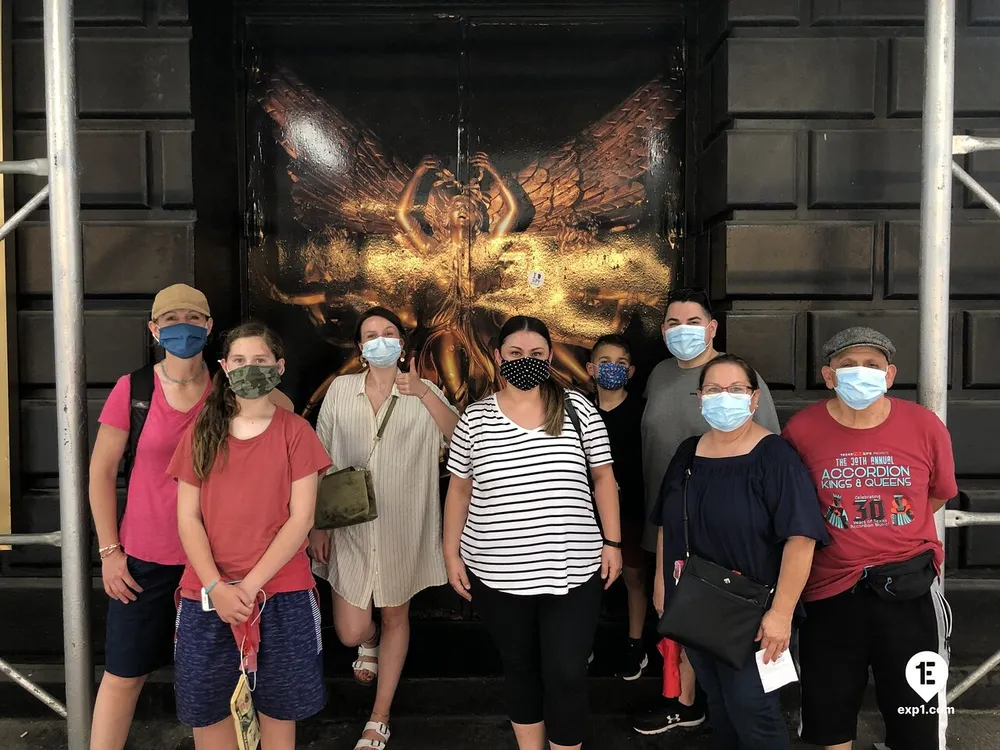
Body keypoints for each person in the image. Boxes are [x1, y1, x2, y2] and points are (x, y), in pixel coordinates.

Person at [87, 285, 292, 750]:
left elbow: (284, 418)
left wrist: (262, 378)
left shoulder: (232, 387)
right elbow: (100, 474)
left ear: (208, 327)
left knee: (219, 682)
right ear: (155, 329)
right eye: (172, 318)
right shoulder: (135, 389)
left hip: (218, 564)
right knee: (124, 673)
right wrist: (109, 551)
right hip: (146, 558)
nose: (184, 326)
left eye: (194, 318)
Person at [443, 315, 623, 750]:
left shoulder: (578, 409)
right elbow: (459, 489)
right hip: (497, 573)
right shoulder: (476, 418)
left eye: (537, 354)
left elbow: (603, 478)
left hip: (572, 571)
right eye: (516, 353)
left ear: (550, 357)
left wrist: (612, 542)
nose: (527, 361)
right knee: (519, 667)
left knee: (565, 672)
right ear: (498, 356)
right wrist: (450, 554)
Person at [782, 327, 957, 750]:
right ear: (828, 376)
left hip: (909, 590)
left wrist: (889, 534)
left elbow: (936, 494)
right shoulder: (801, 430)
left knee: (917, 716)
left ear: (890, 374)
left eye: (872, 366)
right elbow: (794, 509)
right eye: (848, 366)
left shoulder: (924, 425)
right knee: (828, 719)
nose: (861, 373)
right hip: (828, 592)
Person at [168, 322, 331, 750]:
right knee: (209, 718)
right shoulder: (201, 431)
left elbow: (301, 519)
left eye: (260, 361)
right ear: (224, 366)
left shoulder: (297, 433)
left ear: (279, 367)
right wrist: (218, 587)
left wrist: (249, 587)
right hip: (207, 598)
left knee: (280, 719)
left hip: (281, 596)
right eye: (239, 360)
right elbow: (187, 517)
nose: (249, 368)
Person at [652, 354, 828, 750]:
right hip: (696, 605)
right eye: (713, 389)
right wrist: (662, 587)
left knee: (754, 709)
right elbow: (667, 522)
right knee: (720, 703)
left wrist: (781, 615)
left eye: (735, 389)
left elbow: (801, 539)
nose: (723, 397)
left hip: (755, 614)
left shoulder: (774, 457)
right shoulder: (687, 453)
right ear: (699, 398)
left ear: (753, 399)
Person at [308, 306, 459, 750]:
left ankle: (379, 715)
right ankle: (367, 642)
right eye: (370, 335)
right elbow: (319, 457)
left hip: (402, 525)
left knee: (396, 612)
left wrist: (425, 396)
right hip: (349, 526)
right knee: (353, 629)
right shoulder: (340, 390)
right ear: (359, 346)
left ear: (402, 344)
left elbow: (461, 438)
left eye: (388, 333)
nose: (379, 341)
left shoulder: (424, 390)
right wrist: (318, 524)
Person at [633, 287, 781, 735]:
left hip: (718, 535)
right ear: (662, 331)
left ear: (712, 327)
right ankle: (682, 697)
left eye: (693, 322)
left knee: (708, 627)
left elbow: (767, 451)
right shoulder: (659, 374)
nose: (683, 331)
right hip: (665, 521)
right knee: (674, 619)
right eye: (673, 323)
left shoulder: (738, 380)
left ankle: (690, 701)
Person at [586, 334, 649, 680]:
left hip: (632, 510)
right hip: (587, 513)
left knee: (634, 576)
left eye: (621, 363)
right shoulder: (578, 411)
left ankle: (635, 644)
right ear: (591, 368)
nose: (612, 369)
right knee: (587, 580)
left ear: (632, 371)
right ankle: (582, 642)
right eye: (605, 362)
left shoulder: (642, 411)